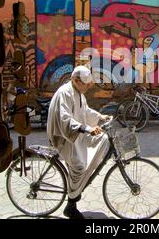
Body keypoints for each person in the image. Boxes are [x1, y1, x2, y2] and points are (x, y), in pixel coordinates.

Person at [46, 65, 110, 219]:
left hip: (75, 132)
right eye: (85, 84)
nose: (88, 87)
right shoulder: (65, 93)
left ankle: (79, 184)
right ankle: (71, 205)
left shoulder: (79, 92)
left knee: (103, 137)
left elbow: (85, 111)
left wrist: (100, 117)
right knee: (79, 166)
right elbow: (65, 120)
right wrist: (87, 129)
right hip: (63, 136)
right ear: (75, 80)